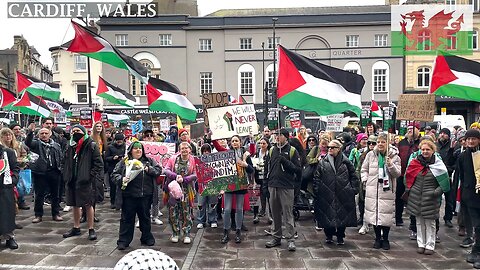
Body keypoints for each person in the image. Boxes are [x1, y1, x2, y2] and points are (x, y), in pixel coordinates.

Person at [112, 141, 161, 250]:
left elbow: (158, 170)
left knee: (145, 218)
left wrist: (149, 169)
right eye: (136, 148)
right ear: (131, 150)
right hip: (129, 196)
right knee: (127, 219)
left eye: (140, 149)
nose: (138, 150)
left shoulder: (149, 161)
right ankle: (123, 240)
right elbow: (114, 174)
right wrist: (121, 179)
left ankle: (146, 237)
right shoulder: (124, 162)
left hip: (145, 195)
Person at [405, 139, 450, 255]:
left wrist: (436, 192)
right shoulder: (415, 162)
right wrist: (410, 188)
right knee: (419, 221)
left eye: (427, 149)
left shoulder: (438, 164)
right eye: (423, 149)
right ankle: (421, 244)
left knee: (430, 222)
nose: (425, 151)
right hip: (416, 197)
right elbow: (408, 176)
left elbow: (445, 182)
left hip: (431, 198)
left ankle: (430, 244)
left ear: (432, 150)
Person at [62, 125, 104, 241]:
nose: (75, 133)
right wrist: (65, 173)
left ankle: (91, 228)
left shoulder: (91, 145)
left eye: (78, 131)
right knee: (75, 204)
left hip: (85, 180)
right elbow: (64, 160)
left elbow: (98, 163)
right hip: (72, 179)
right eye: (73, 131)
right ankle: (76, 227)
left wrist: (89, 175)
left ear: (84, 132)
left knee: (88, 204)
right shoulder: (69, 145)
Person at [313, 139, 358, 245]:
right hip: (326, 193)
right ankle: (329, 235)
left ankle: (340, 236)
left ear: (339, 149)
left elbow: (354, 176)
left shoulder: (346, 162)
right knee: (327, 215)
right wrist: (317, 190)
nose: (330, 149)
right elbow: (317, 177)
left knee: (342, 216)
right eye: (329, 147)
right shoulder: (323, 162)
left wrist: (353, 189)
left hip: (344, 193)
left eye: (332, 147)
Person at [361, 133, 401, 250]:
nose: (380, 144)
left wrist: (390, 164)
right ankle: (377, 238)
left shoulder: (395, 157)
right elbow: (364, 169)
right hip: (373, 189)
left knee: (385, 215)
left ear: (387, 143)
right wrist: (365, 180)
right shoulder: (370, 155)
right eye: (378, 142)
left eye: (383, 142)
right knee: (375, 214)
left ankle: (386, 238)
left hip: (387, 189)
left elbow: (397, 173)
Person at [265, 128, 302, 251]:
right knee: (275, 213)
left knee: (287, 213)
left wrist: (285, 161)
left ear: (286, 137)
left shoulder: (292, 151)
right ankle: (276, 236)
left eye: (279, 135)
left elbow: (297, 169)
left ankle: (290, 238)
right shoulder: (271, 150)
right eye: (276, 135)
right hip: (273, 185)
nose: (276, 137)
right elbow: (267, 169)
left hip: (286, 186)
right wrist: (266, 184)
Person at [213, 135, 254, 244]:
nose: (235, 143)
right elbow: (218, 147)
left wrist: (245, 164)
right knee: (227, 209)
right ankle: (226, 232)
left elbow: (251, 169)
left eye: (236, 141)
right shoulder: (227, 153)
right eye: (233, 141)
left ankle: (238, 232)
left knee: (239, 209)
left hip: (241, 184)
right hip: (229, 184)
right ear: (230, 143)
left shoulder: (246, 154)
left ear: (240, 142)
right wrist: (212, 136)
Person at [25, 123, 64, 223]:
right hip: (40, 173)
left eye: (46, 133)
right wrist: (30, 132)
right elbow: (28, 143)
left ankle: (56, 213)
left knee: (55, 194)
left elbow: (60, 157)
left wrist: (60, 168)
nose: (44, 135)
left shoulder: (56, 145)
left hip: (54, 172)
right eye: (42, 133)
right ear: (39, 135)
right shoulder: (36, 144)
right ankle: (38, 215)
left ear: (50, 134)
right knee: (39, 195)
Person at [163, 142, 197, 244]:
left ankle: (186, 233)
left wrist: (185, 179)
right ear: (179, 149)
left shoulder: (193, 160)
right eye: (182, 148)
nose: (184, 150)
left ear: (190, 149)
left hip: (187, 190)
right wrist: (175, 176)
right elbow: (166, 170)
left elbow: (196, 174)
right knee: (173, 211)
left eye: (186, 148)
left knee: (186, 211)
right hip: (173, 189)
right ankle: (175, 233)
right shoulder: (173, 159)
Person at [457, 129, 480, 267]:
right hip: (470, 196)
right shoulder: (463, 156)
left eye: (474, 139)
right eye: (468, 139)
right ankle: (476, 250)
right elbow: (461, 176)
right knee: (477, 226)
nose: (471, 141)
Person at [396, 122, 421, 229]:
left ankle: (413, 221)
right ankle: (398, 218)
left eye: (412, 128)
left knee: (413, 199)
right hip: (401, 174)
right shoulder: (402, 143)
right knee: (399, 197)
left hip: (415, 176)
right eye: (409, 128)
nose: (410, 130)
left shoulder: (421, 143)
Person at [1, 127, 29, 210]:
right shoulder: (2, 148)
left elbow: (24, 155)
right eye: (5, 135)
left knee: (20, 188)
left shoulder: (18, 145)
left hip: (17, 170)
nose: (8, 137)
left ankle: (21, 202)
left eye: (10, 135)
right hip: (5, 172)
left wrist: (21, 160)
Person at [0, 142, 20, 249]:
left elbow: (16, 168)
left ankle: (9, 237)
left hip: (5, 187)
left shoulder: (8, 152)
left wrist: (13, 180)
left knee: (7, 213)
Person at [435, 128, 455, 228]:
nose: (442, 135)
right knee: (436, 199)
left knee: (449, 199)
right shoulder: (435, 145)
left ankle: (448, 218)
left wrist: (449, 169)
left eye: (445, 134)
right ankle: (436, 218)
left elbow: (453, 161)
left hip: (448, 176)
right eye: (441, 133)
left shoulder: (452, 146)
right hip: (437, 176)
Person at [197, 143, 218, 228]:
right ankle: (201, 221)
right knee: (201, 204)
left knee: (212, 203)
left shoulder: (215, 161)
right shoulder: (198, 160)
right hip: (201, 185)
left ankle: (212, 220)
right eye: (204, 151)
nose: (206, 153)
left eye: (207, 151)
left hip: (213, 185)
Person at [104, 133, 126, 209]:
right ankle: (113, 202)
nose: (120, 143)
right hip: (112, 168)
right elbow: (106, 158)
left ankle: (121, 202)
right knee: (113, 187)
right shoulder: (110, 147)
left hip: (123, 168)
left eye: (121, 141)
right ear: (115, 140)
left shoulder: (125, 146)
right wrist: (113, 158)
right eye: (118, 141)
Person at [253, 137, 271, 222]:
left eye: (264, 143)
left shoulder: (270, 154)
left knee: (267, 195)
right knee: (256, 196)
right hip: (257, 177)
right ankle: (257, 214)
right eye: (260, 143)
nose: (262, 145)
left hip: (267, 178)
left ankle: (269, 214)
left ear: (267, 144)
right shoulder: (256, 154)